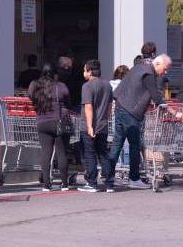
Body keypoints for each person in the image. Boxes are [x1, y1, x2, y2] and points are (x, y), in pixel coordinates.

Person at [109, 53, 171, 189]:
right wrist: (171, 110)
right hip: (130, 111)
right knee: (135, 145)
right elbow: (155, 95)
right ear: (158, 63)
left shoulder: (139, 67)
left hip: (120, 106)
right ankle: (134, 178)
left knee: (117, 143)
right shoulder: (148, 73)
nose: (165, 72)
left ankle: (109, 177)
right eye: (165, 68)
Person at [29, 63, 70, 191]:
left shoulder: (34, 85)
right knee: (61, 152)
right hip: (57, 122)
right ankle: (64, 184)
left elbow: (31, 97)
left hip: (42, 122)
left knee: (46, 152)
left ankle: (46, 184)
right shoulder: (60, 86)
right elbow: (68, 100)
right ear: (54, 73)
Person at [77, 60, 113, 193]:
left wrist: (90, 126)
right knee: (103, 154)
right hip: (103, 125)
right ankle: (109, 183)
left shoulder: (87, 86)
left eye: (85, 70)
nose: (83, 73)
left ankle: (92, 183)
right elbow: (109, 106)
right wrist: (105, 119)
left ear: (90, 71)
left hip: (89, 126)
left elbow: (88, 106)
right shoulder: (107, 85)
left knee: (90, 154)